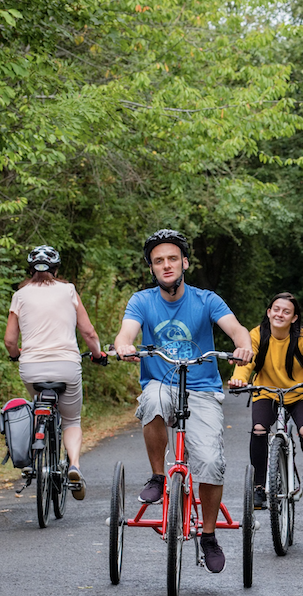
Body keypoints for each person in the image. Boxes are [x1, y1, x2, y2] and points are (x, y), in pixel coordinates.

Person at [113, 229, 253, 574]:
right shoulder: (142, 301)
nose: (166, 265)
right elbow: (126, 332)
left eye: (172, 258)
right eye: (158, 261)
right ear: (151, 269)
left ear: (184, 263)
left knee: (210, 461)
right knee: (153, 400)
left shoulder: (206, 300)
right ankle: (159, 477)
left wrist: (242, 346)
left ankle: (207, 536)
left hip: (203, 389)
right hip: (160, 382)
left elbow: (237, 330)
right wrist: (124, 346)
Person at [3, 245, 106, 500]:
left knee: (38, 402)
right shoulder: (68, 290)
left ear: (30, 270)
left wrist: (16, 354)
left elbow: (9, 340)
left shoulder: (21, 295)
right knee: (71, 420)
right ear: (56, 269)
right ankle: (74, 465)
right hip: (66, 365)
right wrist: (97, 354)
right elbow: (89, 332)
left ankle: (36, 443)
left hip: (31, 367)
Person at [227, 292, 303, 509]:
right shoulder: (257, 335)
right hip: (266, 392)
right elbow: (247, 359)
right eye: (276, 309)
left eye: (286, 311)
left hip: (300, 392)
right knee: (258, 429)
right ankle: (258, 487)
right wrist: (238, 379)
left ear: (294, 317)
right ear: (269, 312)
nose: (280, 314)